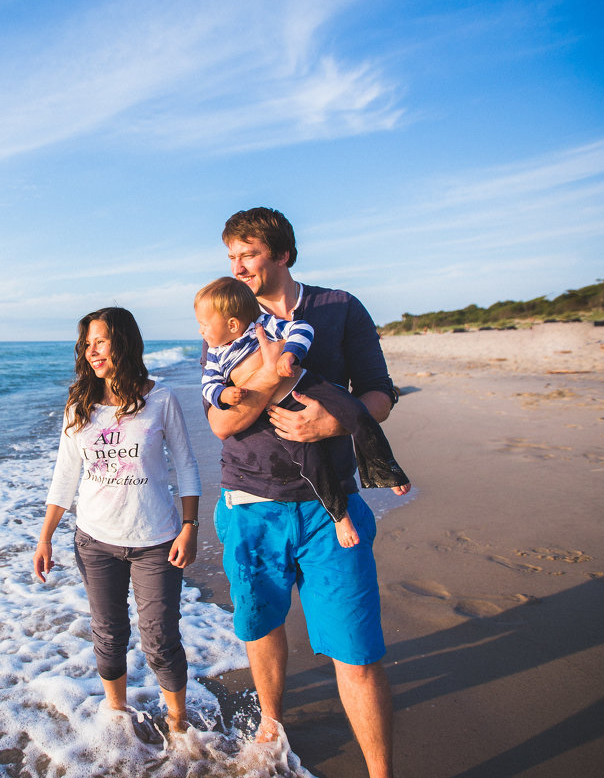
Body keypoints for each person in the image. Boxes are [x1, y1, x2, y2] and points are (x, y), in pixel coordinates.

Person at [202, 208, 405, 778]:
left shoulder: (338, 307)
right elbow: (221, 423)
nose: (238, 267)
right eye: (231, 258)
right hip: (250, 504)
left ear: (283, 254)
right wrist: (271, 378)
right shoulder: (225, 314)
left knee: (358, 653)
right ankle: (271, 718)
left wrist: (337, 423)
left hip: (329, 507)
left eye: (249, 255)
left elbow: (379, 392)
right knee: (262, 626)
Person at [34, 306, 201, 736]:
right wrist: (45, 537)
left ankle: (179, 724)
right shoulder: (80, 405)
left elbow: (186, 466)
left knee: (160, 638)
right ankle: (118, 718)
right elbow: (64, 477)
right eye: (87, 344)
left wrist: (190, 526)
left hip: (156, 540)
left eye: (101, 341)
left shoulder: (160, 398)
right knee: (108, 635)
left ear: (123, 342)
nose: (92, 351)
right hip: (95, 541)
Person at [195, 276, 411, 548]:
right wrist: (224, 394)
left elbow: (301, 329)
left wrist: (290, 355)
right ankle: (340, 517)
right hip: (281, 414)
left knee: (356, 413)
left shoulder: (261, 325)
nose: (200, 331)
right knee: (313, 466)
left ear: (232, 324)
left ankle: (386, 470)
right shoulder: (215, 353)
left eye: (203, 325)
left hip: (308, 385)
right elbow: (209, 385)